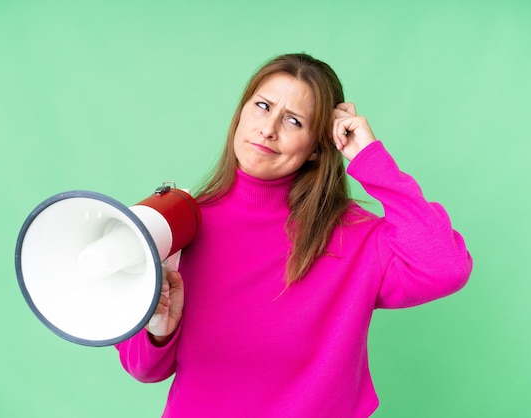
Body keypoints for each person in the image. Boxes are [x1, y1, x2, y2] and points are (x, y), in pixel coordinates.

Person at [115, 53, 473, 417]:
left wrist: (369, 156)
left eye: (293, 120)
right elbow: (143, 369)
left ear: (318, 147)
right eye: (262, 106)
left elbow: (445, 267)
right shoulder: (181, 222)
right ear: (241, 112)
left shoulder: (356, 237)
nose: (268, 129)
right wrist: (160, 331)